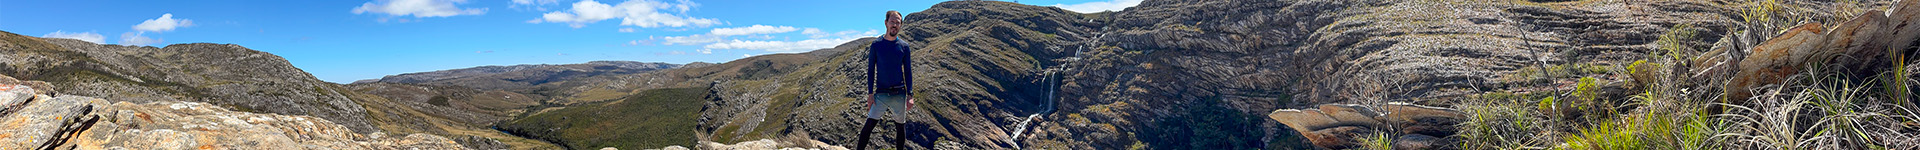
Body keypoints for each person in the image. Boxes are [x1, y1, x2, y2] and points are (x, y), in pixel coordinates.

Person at [856, 10, 914, 150]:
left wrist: (910, 95)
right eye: (892, 22)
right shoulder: (876, 45)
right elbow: (871, 70)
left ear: (900, 25)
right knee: (868, 127)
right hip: (880, 94)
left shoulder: (904, 47)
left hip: (899, 93)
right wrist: (870, 94)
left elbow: (908, 71)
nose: (894, 25)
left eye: (897, 22)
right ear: (886, 23)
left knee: (900, 128)